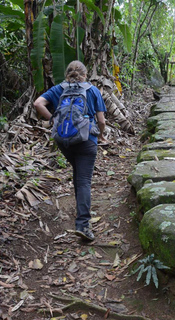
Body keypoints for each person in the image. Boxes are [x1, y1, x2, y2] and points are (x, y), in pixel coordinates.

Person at [34, 60, 108, 241]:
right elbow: (102, 121)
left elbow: (38, 103)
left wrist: (54, 120)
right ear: (85, 73)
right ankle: (83, 224)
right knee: (83, 180)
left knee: (78, 174)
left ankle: (81, 216)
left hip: (65, 140)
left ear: (67, 73)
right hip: (86, 140)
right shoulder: (92, 90)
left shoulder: (59, 89)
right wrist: (101, 135)